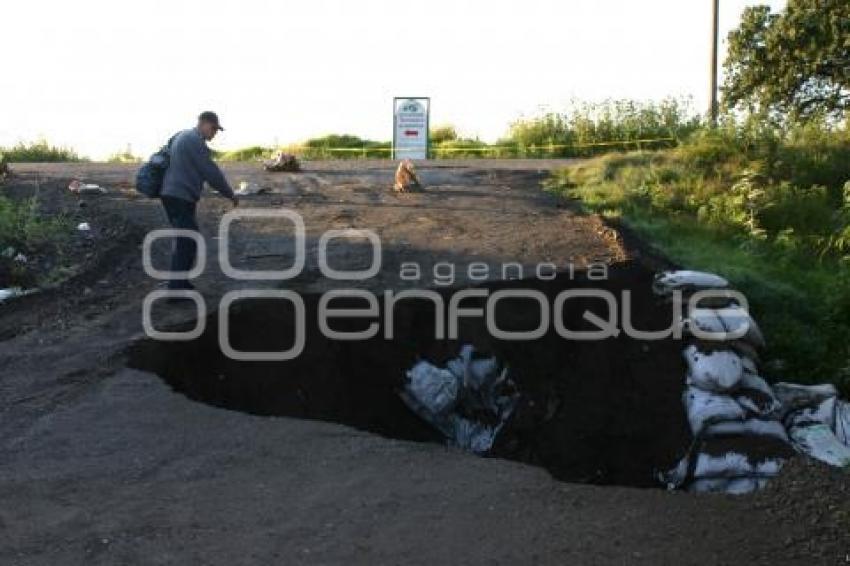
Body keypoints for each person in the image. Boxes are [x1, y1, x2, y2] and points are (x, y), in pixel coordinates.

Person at [160, 111, 239, 290]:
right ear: (203, 123)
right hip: (179, 196)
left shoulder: (183, 136)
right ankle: (176, 287)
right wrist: (230, 194)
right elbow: (210, 172)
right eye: (213, 129)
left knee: (186, 238)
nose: (214, 133)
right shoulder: (194, 141)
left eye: (216, 130)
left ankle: (180, 282)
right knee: (187, 239)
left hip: (174, 194)